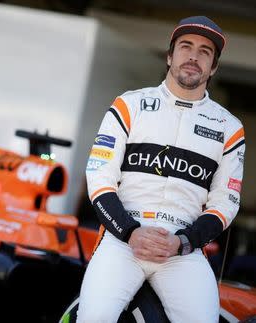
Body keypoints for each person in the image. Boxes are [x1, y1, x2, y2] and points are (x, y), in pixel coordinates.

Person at [77, 16, 245, 323]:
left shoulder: (230, 129)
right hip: (122, 242)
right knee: (94, 318)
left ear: (214, 67)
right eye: (186, 46)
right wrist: (130, 232)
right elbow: (100, 178)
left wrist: (182, 241)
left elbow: (226, 202)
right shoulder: (128, 105)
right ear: (170, 56)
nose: (194, 56)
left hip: (181, 250)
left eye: (205, 51)